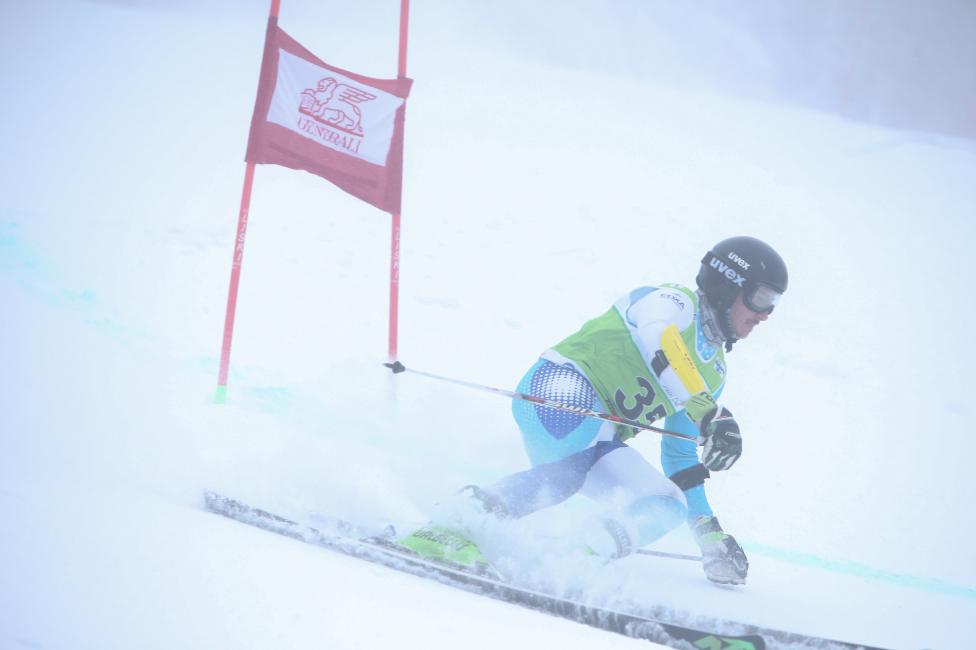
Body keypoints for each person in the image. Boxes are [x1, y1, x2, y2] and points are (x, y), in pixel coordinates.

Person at [401, 236, 788, 585]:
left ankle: (566, 561)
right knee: (569, 471)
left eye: (773, 303)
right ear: (726, 286)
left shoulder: (714, 371)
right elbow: (659, 338)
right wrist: (705, 408)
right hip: (558, 386)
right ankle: (452, 524)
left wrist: (709, 536)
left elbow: (680, 456)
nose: (765, 314)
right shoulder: (673, 302)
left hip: (597, 435)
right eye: (761, 298)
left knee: (667, 503)